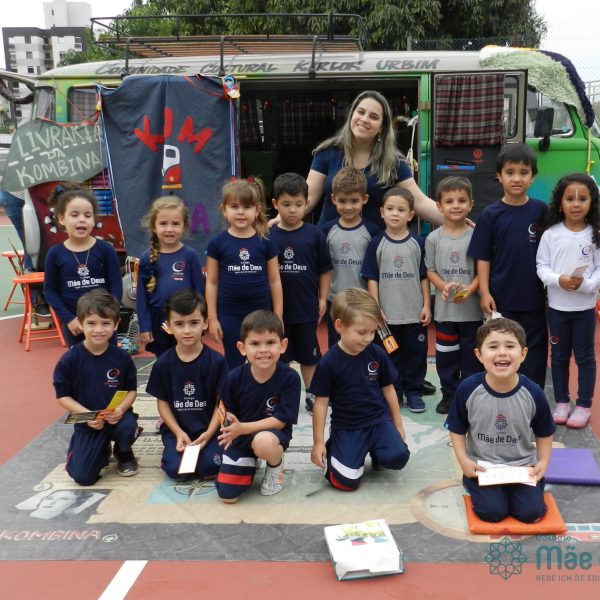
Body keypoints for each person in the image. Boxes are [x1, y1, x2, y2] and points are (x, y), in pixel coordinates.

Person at [445, 318, 555, 523]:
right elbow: (457, 428)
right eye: (493, 346)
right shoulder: (468, 389)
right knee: (492, 513)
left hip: (522, 467)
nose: (502, 352)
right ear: (479, 354)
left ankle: (526, 494)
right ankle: (472, 485)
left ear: (523, 354)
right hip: (483, 467)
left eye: (510, 346)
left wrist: (543, 461)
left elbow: (544, 431)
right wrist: (464, 460)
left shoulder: (533, 392)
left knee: (531, 513)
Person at [310, 288, 410, 491]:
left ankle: (377, 452)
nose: (368, 338)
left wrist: (398, 425)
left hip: (378, 421)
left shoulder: (377, 354)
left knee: (398, 457)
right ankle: (336, 447)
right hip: (347, 426)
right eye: (362, 332)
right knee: (345, 482)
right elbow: (320, 404)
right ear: (340, 326)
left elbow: (389, 390)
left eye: (372, 332)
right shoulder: (328, 363)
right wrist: (318, 443)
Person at [467, 144, 548, 389]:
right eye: (510, 172)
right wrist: (485, 292)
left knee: (534, 352)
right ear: (499, 176)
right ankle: (501, 391)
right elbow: (483, 257)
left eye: (524, 172)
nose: (517, 178)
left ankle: (532, 394)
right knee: (502, 348)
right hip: (501, 298)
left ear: (533, 177)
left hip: (534, 298)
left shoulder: (541, 211)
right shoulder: (490, 214)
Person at [306, 90, 442, 228]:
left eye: (374, 117)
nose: (364, 119)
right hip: (328, 239)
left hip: (374, 241)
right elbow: (307, 198)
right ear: (352, 115)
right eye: (360, 112)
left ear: (382, 127)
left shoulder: (393, 162)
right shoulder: (327, 153)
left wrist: (453, 221)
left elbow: (420, 202)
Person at [53, 289, 139, 485]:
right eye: (91, 323)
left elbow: (131, 391)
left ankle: (123, 451)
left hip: (117, 418)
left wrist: (120, 410)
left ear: (116, 324)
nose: (98, 330)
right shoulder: (69, 359)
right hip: (88, 420)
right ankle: (99, 448)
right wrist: (87, 416)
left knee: (127, 426)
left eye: (105, 323)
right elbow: (63, 396)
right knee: (83, 477)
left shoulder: (122, 358)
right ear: (80, 323)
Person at [536, 173, 600, 429]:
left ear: (591, 203)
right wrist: (558, 280)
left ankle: (583, 405)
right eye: (570, 198)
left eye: (582, 199)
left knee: (585, 357)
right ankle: (562, 402)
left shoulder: (595, 235)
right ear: (560, 203)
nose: (576, 204)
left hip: (584, 309)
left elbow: (598, 270)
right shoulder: (551, 235)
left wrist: (586, 285)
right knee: (559, 356)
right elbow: (542, 266)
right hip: (557, 308)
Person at [215, 310, 301, 501]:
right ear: (242, 348)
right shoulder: (233, 378)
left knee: (263, 443)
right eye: (255, 343)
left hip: (271, 435)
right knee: (228, 496)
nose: (263, 350)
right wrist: (227, 423)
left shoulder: (290, 378)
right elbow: (225, 411)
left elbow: (280, 421)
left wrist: (242, 428)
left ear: (283, 345)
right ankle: (249, 460)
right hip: (239, 436)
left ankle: (275, 465)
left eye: (270, 342)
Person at [362, 187, 431, 412]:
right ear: (382, 212)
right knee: (390, 355)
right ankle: (395, 391)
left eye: (401, 210)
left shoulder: (418, 243)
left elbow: (424, 277)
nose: (395, 213)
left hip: (414, 314)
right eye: (390, 209)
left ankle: (414, 392)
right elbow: (372, 278)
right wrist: (375, 308)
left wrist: (427, 305)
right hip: (387, 316)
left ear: (410, 215)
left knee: (416, 356)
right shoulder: (376, 243)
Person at [269, 172, 333, 413]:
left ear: (307, 203)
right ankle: (281, 394)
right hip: (277, 312)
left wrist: (322, 298)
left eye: (298, 204)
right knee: (279, 355)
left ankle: (312, 393)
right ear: (275, 204)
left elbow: (324, 270)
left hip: (306, 308)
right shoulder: (268, 235)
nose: (292, 210)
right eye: (286, 204)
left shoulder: (315, 234)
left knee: (309, 355)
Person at [146, 290, 227, 480]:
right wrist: (177, 432)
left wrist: (209, 433)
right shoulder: (163, 364)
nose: (187, 330)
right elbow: (163, 402)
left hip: (210, 429)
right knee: (177, 471)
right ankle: (173, 451)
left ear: (205, 323)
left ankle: (211, 451)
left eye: (194, 322)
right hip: (178, 430)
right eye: (179, 324)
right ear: (168, 326)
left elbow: (222, 403)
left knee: (210, 467)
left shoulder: (217, 362)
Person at [205, 178, 283, 369]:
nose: (240, 212)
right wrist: (212, 318)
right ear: (224, 210)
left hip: (261, 312)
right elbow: (212, 282)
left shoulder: (266, 242)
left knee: (263, 359)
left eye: (247, 207)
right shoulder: (217, 243)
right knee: (234, 362)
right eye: (234, 206)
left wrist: (278, 315)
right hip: (229, 314)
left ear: (257, 210)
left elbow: (274, 280)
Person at [425, 176, 483, 414]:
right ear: (439, 206)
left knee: (471, 357)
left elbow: (482, 270)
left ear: (471, 204)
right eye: (449, 201)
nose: (456, 205)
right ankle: (449, 394)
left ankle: (469, 395)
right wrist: (443, 286)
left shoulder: (477, 235)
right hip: (445, 312)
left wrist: (471, 289)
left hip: (472, 313)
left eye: (461, 200)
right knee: (446, 356)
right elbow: (430, 270)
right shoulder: (433, 239)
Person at [43, 189, 123, 347]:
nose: (82, 220)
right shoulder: (55, 253)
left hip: (103, 323)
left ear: (94, 220)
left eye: (87, 215)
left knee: (109, 359)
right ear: (61, 219)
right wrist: (69, 319)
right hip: (75, 326)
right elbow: (50, 290)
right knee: (79, 360)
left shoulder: (106, 250)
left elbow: (116, 285)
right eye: (74, 215)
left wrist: (109, 316)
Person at [136, 196, 204, 357]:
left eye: (175, 224)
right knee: (164, 362)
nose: (169, 229)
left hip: (186, 319)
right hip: (158, 320)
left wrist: (199, 319)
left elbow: (199, 291)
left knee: (189, 359)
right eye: (163, 223)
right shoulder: (146, 258)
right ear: (153, 226)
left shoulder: (190, 255)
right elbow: (142, 297)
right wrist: (145, 326)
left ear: (184, 226)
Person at [321, 166, 380, 348]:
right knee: (336, 347)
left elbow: (375, 271)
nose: (348, 207)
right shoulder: (325, 231)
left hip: (363, 302)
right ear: (333, 199)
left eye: (354, 201)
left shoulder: (372, 231)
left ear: (364, 199)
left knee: (365, 344)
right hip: (335, 301)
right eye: (342, 201)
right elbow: (322, 268)